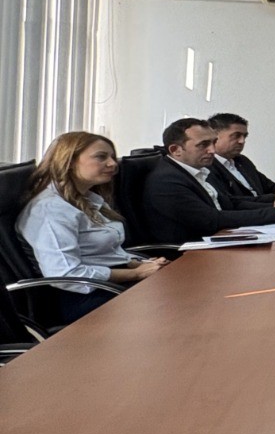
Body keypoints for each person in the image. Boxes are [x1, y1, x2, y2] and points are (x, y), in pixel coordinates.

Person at [17, 132, 170, 323]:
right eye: (101, 157)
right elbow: (66, 275)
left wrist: (137, 263)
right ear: (69, 161)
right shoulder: (51, 210)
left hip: (109, 285)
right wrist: (136, 273)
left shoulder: (87, 198)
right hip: (84, 298)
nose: (113, 164)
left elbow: (102, 252)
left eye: (112, 157)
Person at [141, 118, 275, 245]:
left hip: (215, 239)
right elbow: (211, 220)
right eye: (203, 145)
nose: (212, 150)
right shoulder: (167, 180)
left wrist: (274, 204)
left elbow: (229, 202)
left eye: (213, 142)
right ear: (176, 150)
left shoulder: (196, 170)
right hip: (189, 254)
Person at [205, 113, 275, 204]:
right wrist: (273, 198)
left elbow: (268, 186)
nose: (242, 141)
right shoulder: (207, 166)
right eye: (236, 135)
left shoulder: (242, 161)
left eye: (245, 136)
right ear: (214, 136)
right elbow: (231, 202)